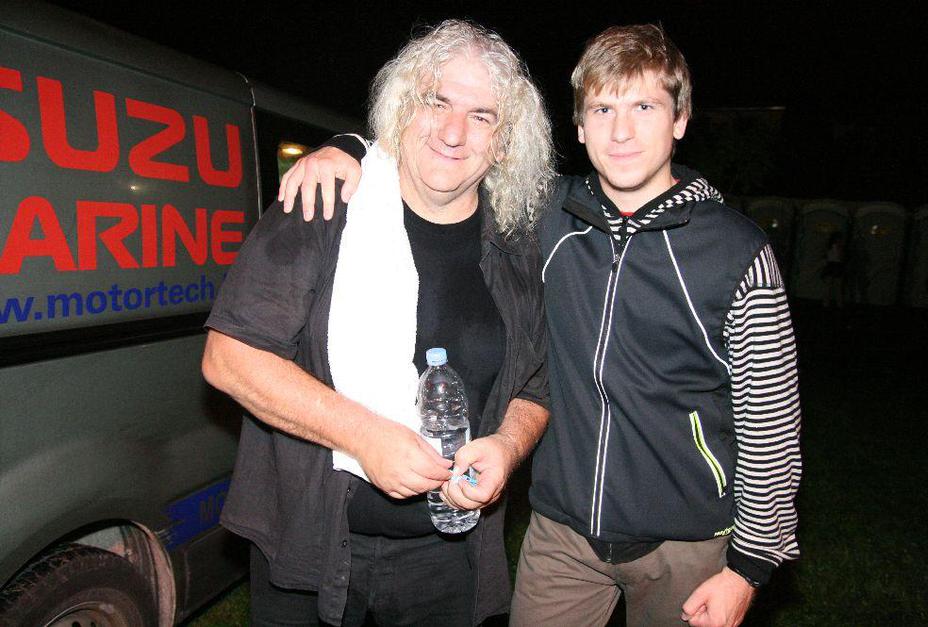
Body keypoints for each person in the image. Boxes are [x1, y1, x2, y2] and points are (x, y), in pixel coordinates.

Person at [281, 23, 802, 627]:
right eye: (602, 109)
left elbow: (772, 420)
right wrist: (347, 147)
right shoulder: (545, 217)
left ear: (680, 119)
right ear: (579, 127)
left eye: (644, 107)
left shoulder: (735, 251)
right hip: (561, 535)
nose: (621, 131)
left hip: (685, 542)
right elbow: (443, 154)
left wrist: (749, 567)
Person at [202, 20, 553, 626]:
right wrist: (363, 437)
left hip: (449, 556)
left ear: (503, 143)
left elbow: (535, 387)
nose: (453, 132)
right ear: (403, 109)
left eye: (482, 116)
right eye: (436, 102)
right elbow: (230, 357)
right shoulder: (326, 203)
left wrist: (507, 446)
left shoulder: (516, 247)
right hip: (313, 542)